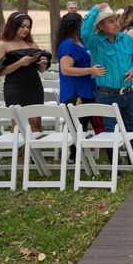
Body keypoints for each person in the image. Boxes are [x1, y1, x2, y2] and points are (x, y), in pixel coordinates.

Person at [81, 3, 133, 166]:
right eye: (111, 21)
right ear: (100, 26)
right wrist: (96, 9)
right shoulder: (96, 43)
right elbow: (85, 32)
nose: (116, 23)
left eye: (116, 20)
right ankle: (115, 163)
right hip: (107, 94)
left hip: (127, 92)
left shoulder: (126, 39)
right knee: (111, 128)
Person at [0, 12, 52, 132]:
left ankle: (34, 150)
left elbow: (40, 70)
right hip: (15, 88)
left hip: (34, 86)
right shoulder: (2, 45)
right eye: (22, 26)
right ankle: (18, 151)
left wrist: (42, 64)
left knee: (36, 124)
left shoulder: (32, 44)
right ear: (13, 26)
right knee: (17, 126)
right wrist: (20, 63)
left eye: (28, 27)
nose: (26, 30)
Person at [57, 13, 106, 158]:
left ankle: (80, 157)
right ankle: (74, 157)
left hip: (87, 88)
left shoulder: (80, 41)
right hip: (74, 92)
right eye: (82, 23)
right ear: (74, 25)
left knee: (83, 125)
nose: (84, 25)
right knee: (77, 127)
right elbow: (66, 69)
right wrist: (91, 70)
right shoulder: (67, 44)